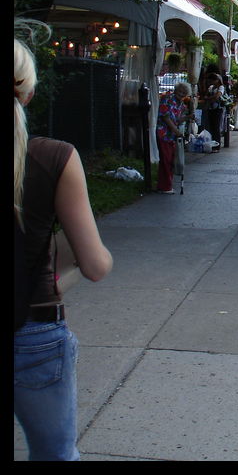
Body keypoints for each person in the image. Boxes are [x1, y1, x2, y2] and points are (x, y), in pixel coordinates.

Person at [15, 32, 113, 461]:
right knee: (55, 455)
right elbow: (95, 265)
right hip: (32, 331)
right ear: (30, 93)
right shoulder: (54, 158)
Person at [156, 82, 191, 192]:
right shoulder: (167, 98)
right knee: (166, 160)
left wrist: (188, 117)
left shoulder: (181, 104)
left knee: (170, 160)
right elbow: (166, 117)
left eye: (184, 93)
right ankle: (164, 186)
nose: (181, 94)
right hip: (164, 133)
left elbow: (177, 119)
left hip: (171, 136)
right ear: (176, 90)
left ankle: (166, 185)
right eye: (180, 91)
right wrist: (176, 131)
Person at [200, 69, 225, 151]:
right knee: (210, 127)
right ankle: (211, 144)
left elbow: (217, 96)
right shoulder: (211, 87)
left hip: (218, 109)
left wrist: (208, 98)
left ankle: (216, 145)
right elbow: (205, 94)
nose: (211, 82)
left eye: (213, 80)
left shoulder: (221, 87)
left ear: (217, 80)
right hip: (210, 108)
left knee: (216, 127)